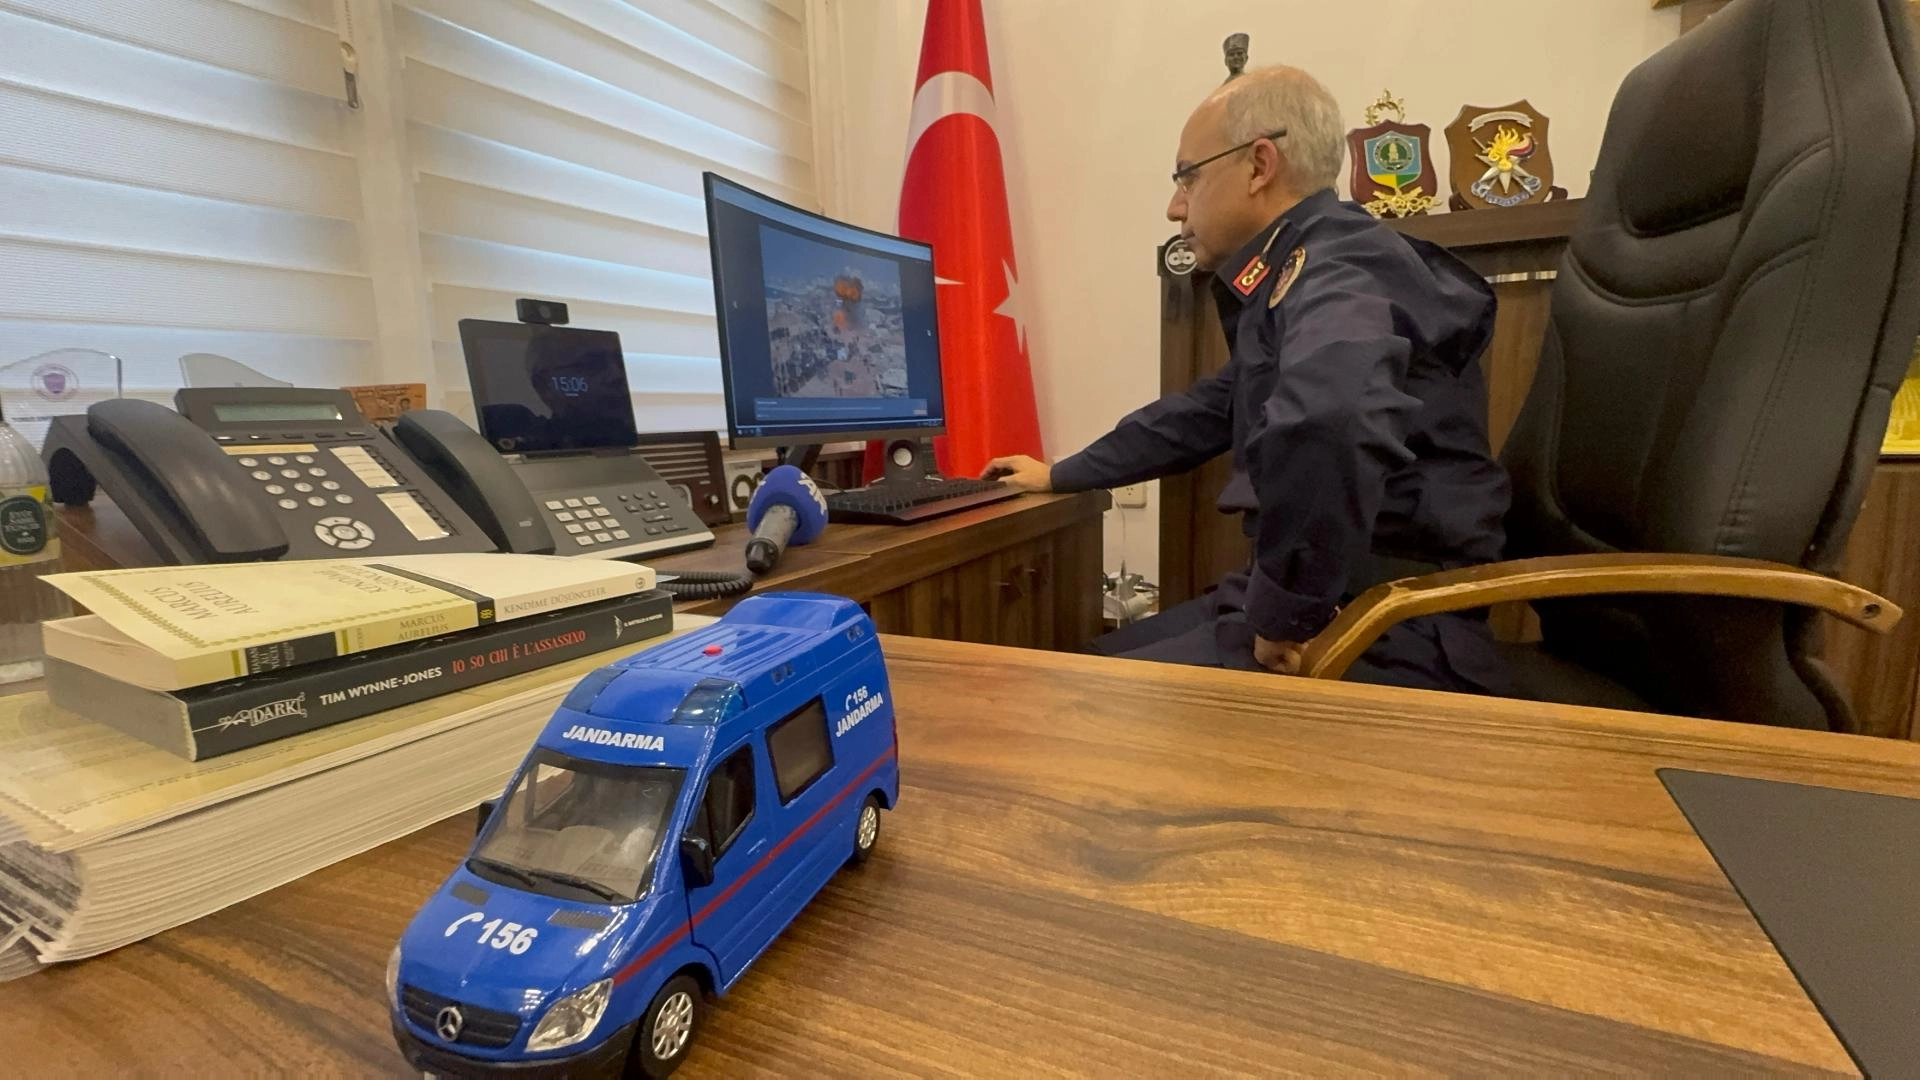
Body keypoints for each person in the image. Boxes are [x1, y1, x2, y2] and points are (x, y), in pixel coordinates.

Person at [983, 65, 1511, 694]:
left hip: (1387, 618)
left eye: (1188, 176)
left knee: (1075, 696)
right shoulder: (1303, 262)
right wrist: (1063, 473)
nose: (1175, 206)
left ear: (1260, 166)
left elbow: (1333, 415)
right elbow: (1209, 410)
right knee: (1086, 663)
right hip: (1335, 594)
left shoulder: (1339, 263)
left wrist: (1288, 614)